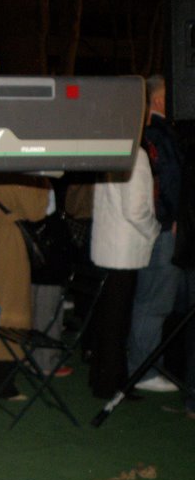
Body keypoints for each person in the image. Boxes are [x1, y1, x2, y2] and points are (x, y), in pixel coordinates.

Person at [88, 147, 159, 399]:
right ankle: (112, 384)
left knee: (108, 319)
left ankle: (102, 379)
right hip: (125, 249)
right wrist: (155, 230)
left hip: (107, 244)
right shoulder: (135, 155)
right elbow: (135, 208)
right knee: (117, 321)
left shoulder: (110, 149)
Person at [127, 76, 183, 393]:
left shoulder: (142, 132)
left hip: (154, 226)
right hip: (164, 229)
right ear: (160, 101)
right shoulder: (161, 135)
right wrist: (172, 217)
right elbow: (170, 179)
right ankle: (144, 370)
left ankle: (142, 365)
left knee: (148, 298)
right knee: (155, 300)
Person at [0, 174, 54, 398]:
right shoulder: (21, 174)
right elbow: (36, 210)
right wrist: (44, 182)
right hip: (9, 244)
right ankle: (2, 383)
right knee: (9, 308)